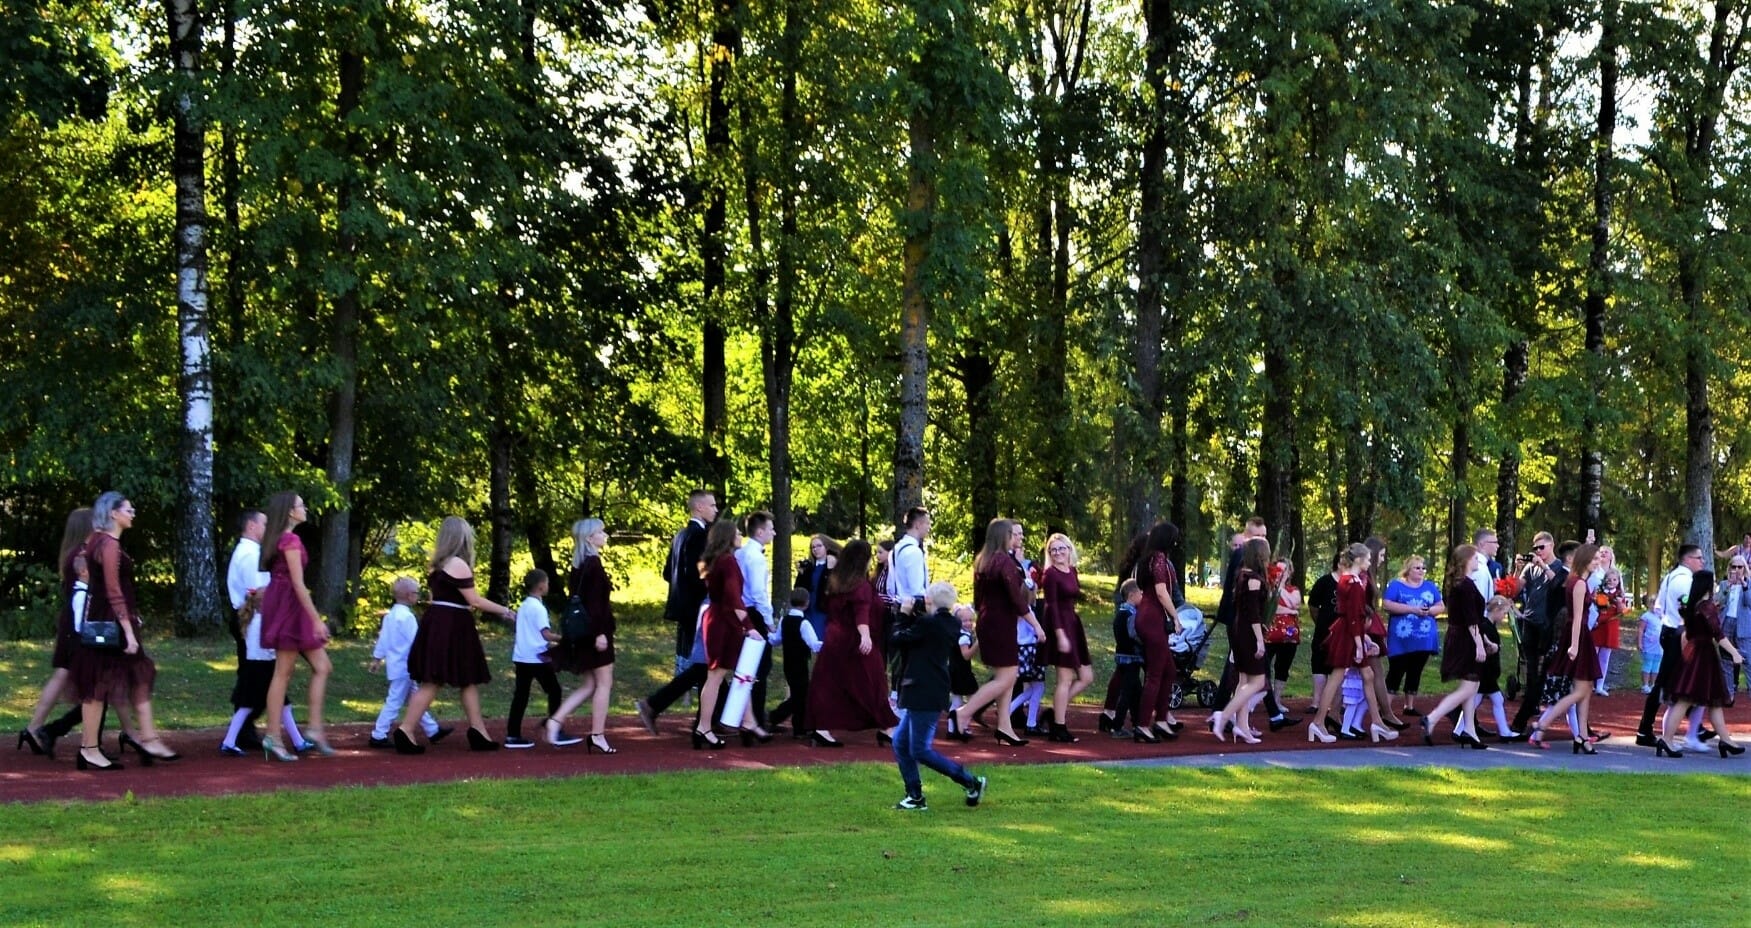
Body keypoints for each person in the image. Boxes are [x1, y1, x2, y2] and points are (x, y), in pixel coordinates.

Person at [68, 492, 175, 771]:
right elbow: (114, 591)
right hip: (111, 621)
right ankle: (100, 746)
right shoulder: (109, 544)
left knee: (105, 682)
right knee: (121, 678)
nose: (132, 513)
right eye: (128, 510)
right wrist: (128, 630)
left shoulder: (96, 540)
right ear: (113, 513)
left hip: (102, 618)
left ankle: (96, 747)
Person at [393, 516, 516, 754]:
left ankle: (478, 731)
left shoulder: (436, 566)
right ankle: (406, 730)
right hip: (453, 624)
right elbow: (474, 600)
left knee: (463, 678)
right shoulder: (458, 564)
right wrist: (506, 611)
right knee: (437, 680)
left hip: (438, 622)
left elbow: (437, 597)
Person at [221, 509, 315, 756]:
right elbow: (259, 592)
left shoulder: (249, 552)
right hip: (257, 623)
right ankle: (238, 737)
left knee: (265, 684)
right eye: (265, 523)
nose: (269, 527)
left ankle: (255, 736)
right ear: (252, 526)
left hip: (257, 621)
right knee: (259, 683)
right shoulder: (252, 554)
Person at [888, 583, 988, 811]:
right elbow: (921, 637)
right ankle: (914, 796)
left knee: (919, 749)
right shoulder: (950, 623)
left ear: (929, 600)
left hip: (922, 691)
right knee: (901, 743)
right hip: (930, 689)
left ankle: (970, 781)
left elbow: (897, 639)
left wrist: (903, 615)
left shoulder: (928, 624)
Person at [256, 492, 335, 761]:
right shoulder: (290, 540)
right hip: (290, 607)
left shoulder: (280, 538)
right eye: (301, 505)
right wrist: (316, 620)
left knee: (322, 667)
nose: (305, 508)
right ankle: (273, 736)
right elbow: (298, 584)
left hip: (287, 604)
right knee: (283, 672)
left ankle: (314, 729)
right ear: (290, 512)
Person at [951, 519, 1044, 747]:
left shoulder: (984, 560)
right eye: (1013, 534)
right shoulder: (1003, 561)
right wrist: (1036, 625)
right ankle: (963, 713)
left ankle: (1004, 727)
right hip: (1000, 624)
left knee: (1007, 677)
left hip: (990, 621)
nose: (1017, 538)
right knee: (1007, 677)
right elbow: (1017, 599)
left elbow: (980, 598)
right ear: (1004, 536)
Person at [18, 507, 93, 758]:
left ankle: (35, 727)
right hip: (76, 624)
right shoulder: (81, 556)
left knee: (62, 673)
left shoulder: (71, 554)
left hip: (70, 621)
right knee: (73, 676)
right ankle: (39, 728)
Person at [808, 539, 899, 746]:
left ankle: (821, 728)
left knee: (831, 684)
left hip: (835, 637)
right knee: (873, 681)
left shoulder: (836, 582)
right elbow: (861, 612)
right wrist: (865, 636)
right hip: (855, 641)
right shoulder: (860, 585)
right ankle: (887, 727)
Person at [1306, 543, 1394, 743]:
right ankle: (1319, 722)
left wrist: (1363, 638)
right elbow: (1354, 617)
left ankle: (1377, 722)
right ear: (1359, 560)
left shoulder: (1347, 579)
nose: (1370, 562)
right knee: (1337, 677)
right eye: (1368, 559)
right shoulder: (1353, 583)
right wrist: (1359, 643)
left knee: (1366, 675)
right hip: (1348, 635)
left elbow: (1351, 614)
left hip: (1348, 632)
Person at [1656, 570, 1747, 758]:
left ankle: (1725, 740)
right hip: (1703, 655)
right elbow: (1718, 634)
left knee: (1710, 700)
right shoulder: (1706, 607)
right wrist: (1735, 653)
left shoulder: (1693, 606)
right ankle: (1667, 739)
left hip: (1694, 652)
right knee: (1688, 699)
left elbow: (1687, 634)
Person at [693, 519, 765, 749]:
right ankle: (704, 727)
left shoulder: (715, 561)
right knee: (717, 676)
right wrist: (750, 626)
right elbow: (734, 597)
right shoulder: (728, 561)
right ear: (728, 537)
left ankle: (748, 721)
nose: (741, 536)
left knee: (734, 673)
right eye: (737, 533)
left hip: (715, 618)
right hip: (724, 621)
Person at [549, 518, 618, 754]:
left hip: (583, 632)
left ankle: (555, 720)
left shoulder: (578, 565)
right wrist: (600, 634)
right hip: (596, 631)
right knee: (604, 684)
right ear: (590, 538)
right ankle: (597, 734)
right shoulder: (593, 564)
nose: (605, 535)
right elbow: (596, 604)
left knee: (590, 684)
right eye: (601, 532)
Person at [1528, 543, 1602, 753]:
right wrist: (1575, 646)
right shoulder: (1578, 583)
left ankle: (1582, 737)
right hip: (1577, 636)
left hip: (1579, 635)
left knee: (1586, 688)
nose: (1597, 562)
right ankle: (1543, 723)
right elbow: (1577, 617)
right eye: (1595, 559)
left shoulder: (1577, 581)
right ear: (1585, 560)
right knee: (1580, 690)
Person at [1420, 545, 1490, 748]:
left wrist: (1483, 640)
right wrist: (1479, 644)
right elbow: (1471, 618)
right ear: (1466, 560)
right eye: (1475, 558)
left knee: (1472, 685)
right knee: (1469, 686)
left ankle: (1470, 730)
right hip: (1465, 639)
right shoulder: (1465, 585)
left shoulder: (1462, 583)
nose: (1477, 561)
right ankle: (1432, 717)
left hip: (1462, 636)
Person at [365, 577, 448, 749]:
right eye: (417, 592)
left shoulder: (390, 615)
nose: (418, 596)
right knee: (394, 701)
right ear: (410, 595)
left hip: (397, 666)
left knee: (415, 698)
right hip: (405, 667)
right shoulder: (407, 617)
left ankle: (432, 730)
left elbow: (383, 639)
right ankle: (378, 734)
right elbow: (416, 641)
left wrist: (377, 658)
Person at [1635, 545, 1704, 747]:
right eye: (1699, 558)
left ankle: (1695, 726)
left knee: (1674, 679)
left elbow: (1659, 606)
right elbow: (1688, 609)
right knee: (1667, 682)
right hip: (1677, 633)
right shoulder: (1684, 580)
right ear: (1688, 559)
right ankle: (1645, 729)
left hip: (1670, 630)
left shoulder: (1672, 576)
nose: (1702, 562)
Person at [1127, 521, 1186, 744]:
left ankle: (1161, 719)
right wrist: (1176, 617)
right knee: (1155, 673)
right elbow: (1161, 591)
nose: (1176, 543)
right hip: (1153, 618)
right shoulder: (1159, 559)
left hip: (1148, 616)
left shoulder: (1148, 559)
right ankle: (1142, 725)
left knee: (1169, 671)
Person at [503, 570, 573, 749]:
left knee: (521, 695)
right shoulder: (539, 608)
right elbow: (546, 634)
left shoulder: (524, 605)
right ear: (541, 586)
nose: (548, 586)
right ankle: (554, 727)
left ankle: (512, 734)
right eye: (547, 583)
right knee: (554, 691)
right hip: (537, 657)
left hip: (521, 657)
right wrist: (566, 639)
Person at [1213, 537, 1272, 743]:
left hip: (1239, 630)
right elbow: (1253, 614)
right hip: (1247, 633)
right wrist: (1260, 639)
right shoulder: (1254, 579)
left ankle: (1242, 726)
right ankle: (1224, 715)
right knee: (1258, 681)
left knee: (1244, 680)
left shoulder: (1242, 574)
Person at [1508, 532, 1565, 738]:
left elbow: (1558, 585)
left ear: (1551, 545)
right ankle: (1524, 718)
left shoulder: (1559, 567)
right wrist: (1517, 569)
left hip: (1549, 626)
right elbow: (1514, 590)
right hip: (1530, 623)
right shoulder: (1530, 568)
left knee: (1541, 676)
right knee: (1532, 675)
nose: (1538, 552)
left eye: (1542, 547)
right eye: (1535, 548)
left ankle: (1523, 720)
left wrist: (1543, 565)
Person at [1041, 533, 1092, 743]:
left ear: (1069, 549)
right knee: (1065, 679)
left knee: (1086, 676)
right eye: (1053, 550)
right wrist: (1060, 634)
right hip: (1059, 626)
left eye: (1061, 548)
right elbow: (1051, 606)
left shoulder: (1072, 571)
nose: (1058, 553)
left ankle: (1054, 712)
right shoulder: (1050, 575)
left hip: (1073, 623)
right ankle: (1059, 728)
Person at [1383, 555, 1445, 718]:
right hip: (1401, 640)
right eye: (1417, 568)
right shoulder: (1396, 586)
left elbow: (1440, 606)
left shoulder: (1430, 586)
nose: (1421, 571)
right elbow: (1387, 605)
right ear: (1408, 570)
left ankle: (1409, 706)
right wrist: (1412, 609)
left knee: (1415, 671)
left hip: (1424, 639)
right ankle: (1385, 708)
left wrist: (1429, 611)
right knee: (1396, 671)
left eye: (1423, 568)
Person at [662, 489, 717, 673]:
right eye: (712, 505)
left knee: (684, 650)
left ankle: (683, 683)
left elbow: (667, 573)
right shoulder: (699, 536)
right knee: (696, 654)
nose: (716, 510)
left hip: (681, 604)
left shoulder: (680, 535)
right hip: (696, 604)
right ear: (699, 507)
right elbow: (698, 574)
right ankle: (687, 684)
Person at [735, 511, 777, 729]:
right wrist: (769, 621)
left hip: (743, 611)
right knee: (761, 666)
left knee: (747, 666)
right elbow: (759, 593)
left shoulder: (741, 553)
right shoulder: (756, 558)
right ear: (760, 532)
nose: (774, 533)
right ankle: (756, 719)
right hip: (755, 613)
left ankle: (747, 716)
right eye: (771, 529)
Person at [768, 587, 822, 736]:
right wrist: (830, 643)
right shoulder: (804, 624)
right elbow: (813, 644)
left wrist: (766, 634)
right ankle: (777, 718)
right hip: (800, 663)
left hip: (788, 663)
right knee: (801, 695)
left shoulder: (784, 620)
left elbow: (776, 640)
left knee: (799, 694)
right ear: (807, 603)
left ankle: (797, 726)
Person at [1262, 558, 1302, 731]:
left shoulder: (1293, 590)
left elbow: (1295, 603)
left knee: (1283, 667)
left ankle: (1277, 700)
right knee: (1264, 666)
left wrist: (1281, 589)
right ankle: (1263, 700)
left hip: (1289, 635)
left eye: (1284, 571)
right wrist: (1290, 610)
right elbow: (1272, 608)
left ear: (1290, 572)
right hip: (1270, 633)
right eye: (1278, 570)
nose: (1281, 574)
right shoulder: (1268, 588)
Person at [1101, 579, 1145, 737]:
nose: (1142, 595)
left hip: (1123, 657)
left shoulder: (1121, 613)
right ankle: (1117, 726)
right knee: (1127, 692)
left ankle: (1137, 722)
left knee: (1136, 691)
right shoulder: (1130, 615)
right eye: (1140, 593)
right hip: (1131, 657)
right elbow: (1134, 635)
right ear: (1132, 595)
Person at [1716, 557, 1751, 703]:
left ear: (1744, 569)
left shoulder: (1748, 584)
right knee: (1726, 660)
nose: (1736, 570)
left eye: (1740, 567)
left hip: (1743, 625)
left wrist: (1744, 586)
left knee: (1748, 660)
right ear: (1729, 568)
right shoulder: (1724, 584)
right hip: (1726, 623)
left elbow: (1749, 602)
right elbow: (1718, 602)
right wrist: (1728, 587)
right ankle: (1729, 694)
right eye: (1733, 566)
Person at [1589, 562, 1627, 695]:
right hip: (1598, 625)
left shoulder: (1619, 594)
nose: (1611, 582)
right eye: (1609, 579)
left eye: (1614, 579)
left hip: (1610, 627)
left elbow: (1622, 612)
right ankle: (1589, 683)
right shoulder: (1600, 592)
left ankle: (1600, 685)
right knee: (1592, 655)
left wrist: (1619, 603)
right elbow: (1601, 608)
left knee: (1604, 657)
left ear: (1618, 581)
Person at [794, 534, 841, 640]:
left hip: (823, 609)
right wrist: (801, 574)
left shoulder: (834, 566)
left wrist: (830, 569)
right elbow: (798, 589)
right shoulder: (809, 567)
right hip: (808, 608)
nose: (815, 549)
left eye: (819, 546)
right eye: (813, 547)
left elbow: (833, 588)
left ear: (827, 547)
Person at [1636, 594, 1662, 695]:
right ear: (1649, 604)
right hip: (1648, 644)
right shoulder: (1646, 616)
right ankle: (1645, 685)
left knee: (1656, 665)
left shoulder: (1661, 616)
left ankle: (1653, 684)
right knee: (1648, 663)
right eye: (1653, 604)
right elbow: (1641, 630)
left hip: (1659, 645)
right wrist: (1640, 642)